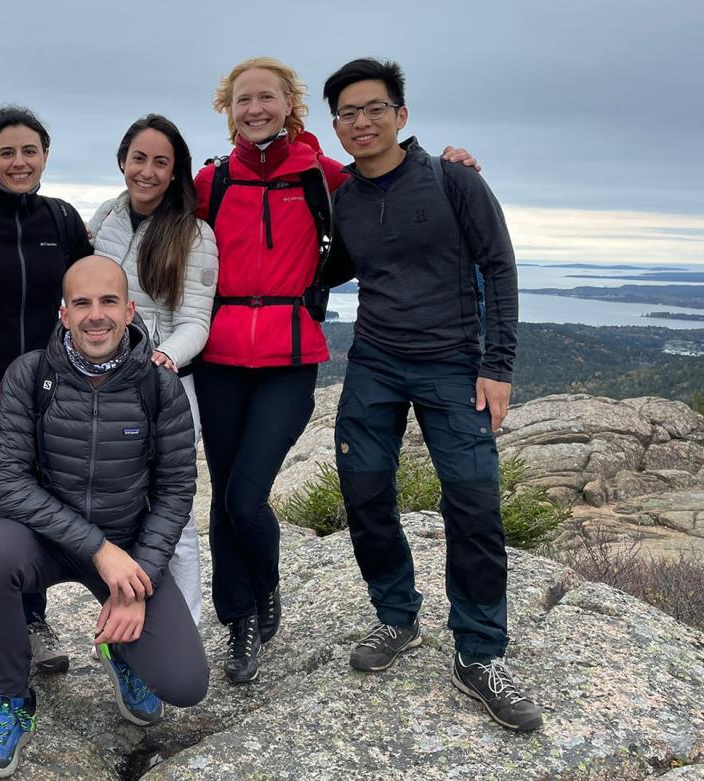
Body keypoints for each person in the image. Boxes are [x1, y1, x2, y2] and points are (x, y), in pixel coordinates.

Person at [194, 56, 478, 684]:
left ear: (288, 104)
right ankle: (240, 619)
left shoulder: (325, 178)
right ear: (228, 110)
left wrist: (450, 166)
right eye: (242, 101)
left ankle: (264, 588)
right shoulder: (210, 182)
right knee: (223, 497)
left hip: (290, 356)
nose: (254, 110)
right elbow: (156, 223)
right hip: (217, 357)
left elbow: (395, 192)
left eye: (266, 98)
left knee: (246, 494)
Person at [321, 57, 541, 732]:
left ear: (401, 115)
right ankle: (396, 614)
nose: (362, 122)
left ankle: (478, 652)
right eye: (348, 113)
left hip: (454, 363)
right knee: (362, 489)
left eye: (374, 108)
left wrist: (497, 365)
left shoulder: (452, 181)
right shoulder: (344, 201)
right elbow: (315, 272)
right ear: (336, 126)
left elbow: (499, 265)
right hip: (376, 362)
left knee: (473, 502)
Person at [0, 257, 208, 779]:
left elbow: (175, 490)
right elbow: (3, 481)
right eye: (82, 304)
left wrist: (138, 582)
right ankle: (13, 699)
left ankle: (121, 654)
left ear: (129, 309)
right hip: (47, 541)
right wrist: (99, 549)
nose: (96, 316)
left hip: (129, 547)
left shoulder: (160, 387)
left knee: (186, 685)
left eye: (108, 301)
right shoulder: (31, 375)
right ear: (64, 313)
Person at [0, 105, 93, 680]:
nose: (18, 161)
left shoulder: (61, 221)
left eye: (29, 151)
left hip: (52, 394)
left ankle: (33, 622)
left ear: (44, 157)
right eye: (6, 152)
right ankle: (5, 640)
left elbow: (89, 303)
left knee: (44, 510)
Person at [87, 114, 218, 623]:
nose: (147, 171)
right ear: (122, 161)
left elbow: (196, 322)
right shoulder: (106, 218)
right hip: (104, 385)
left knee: (173, 518)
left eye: (160, 162)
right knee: (117, 512)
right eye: (138, 158)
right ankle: (126, 621)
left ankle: (184, 626)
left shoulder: (194, 234)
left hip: (167, 388)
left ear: (175, 170)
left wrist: (162, 359)